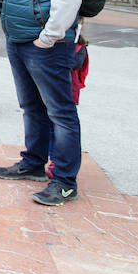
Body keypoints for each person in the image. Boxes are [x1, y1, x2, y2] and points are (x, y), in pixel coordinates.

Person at [0, 0, 85, 206]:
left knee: (60, 113)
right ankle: (33, 162)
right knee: (32, 107)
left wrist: (48, 37)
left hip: (47, 45)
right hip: (20, 42)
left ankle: (63, 182)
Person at [46, 32, 89, 180]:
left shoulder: (79, 48)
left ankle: (58, 163)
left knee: (62, 129)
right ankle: (53, 160)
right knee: (51, 129)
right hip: (51, 91)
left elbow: (73, 64)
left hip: (67, 93)